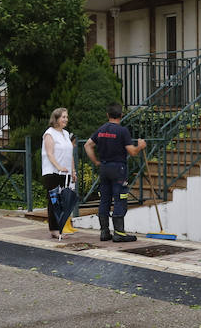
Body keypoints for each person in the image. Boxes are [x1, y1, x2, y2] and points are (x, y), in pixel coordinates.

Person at [84, 102, 146, 242]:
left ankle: (104, 232)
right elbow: (132, 152)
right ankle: (119, 233)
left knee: (105, 199)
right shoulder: (122, 131)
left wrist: (96, 161)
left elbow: (87, 145)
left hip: (104, 168)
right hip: (118, 169)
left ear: (108, 115)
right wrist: (140, 146)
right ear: (121, 115)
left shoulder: (101, 129)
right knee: (120, 198)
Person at [41, 107, 76, 240]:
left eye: (66, 117)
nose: (66, 119)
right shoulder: (49, 133)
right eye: (63, 117)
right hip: (52, 172)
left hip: (65, 173)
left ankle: (60, 228)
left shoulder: (66, 134)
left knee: (64, 201)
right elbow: (49, 154)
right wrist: (59, 167)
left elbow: (69, 154)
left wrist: (73, 170)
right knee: (54, 201)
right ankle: (54, 230)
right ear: (56, 119)